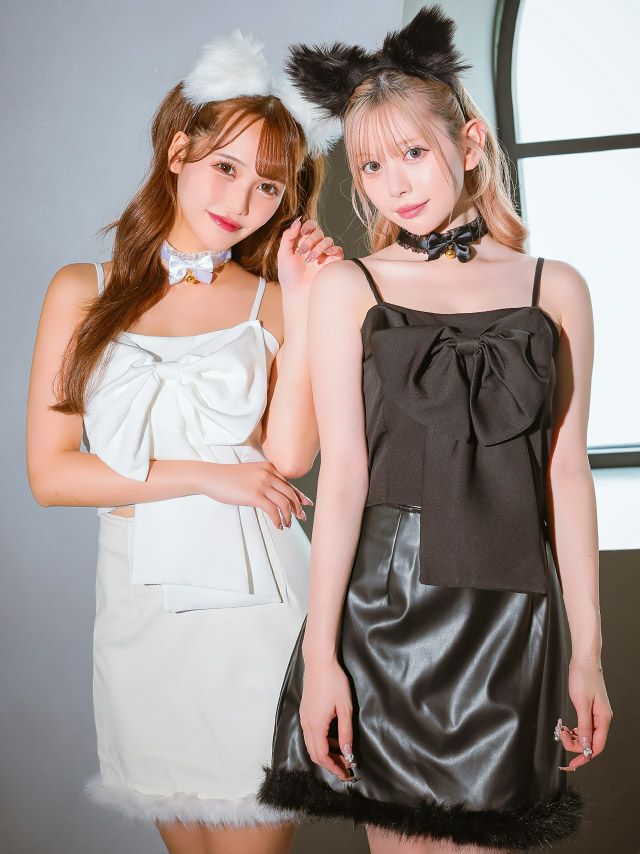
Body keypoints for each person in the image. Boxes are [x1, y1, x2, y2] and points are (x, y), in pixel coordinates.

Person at [259, 6, 612, 852]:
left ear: (471, 143)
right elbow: (342, 477)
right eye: (372, 164)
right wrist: (321, 658)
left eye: (413, 152)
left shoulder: (555, 287)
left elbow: (567, 476)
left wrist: (588, 654)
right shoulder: (350, 288)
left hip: (512, 615)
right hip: (384, 613)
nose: (396, 184)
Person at [26, 30, 342, 854]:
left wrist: (305, 306)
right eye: (226, 168)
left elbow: (288, 460)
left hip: (253, 601)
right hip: (141, 604)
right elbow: (51, 476)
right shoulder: (81, 291)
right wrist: (208, 475)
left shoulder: (276, 299)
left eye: (268, 185)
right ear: (178, 152)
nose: (243, 200)